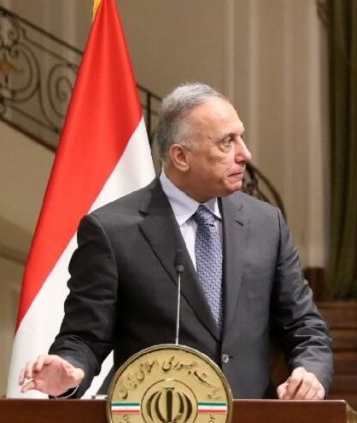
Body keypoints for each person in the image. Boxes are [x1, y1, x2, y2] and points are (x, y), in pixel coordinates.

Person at [18, 82, 332, 400]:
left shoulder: (266, 224)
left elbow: (304, 325)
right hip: (157, 415)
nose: (245, 154)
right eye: (227, 142)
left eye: (241, 137)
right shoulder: (112, 231)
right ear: (181, 156)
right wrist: (69, 372)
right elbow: (85, 337)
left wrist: (310, 372)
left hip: (250, 415)